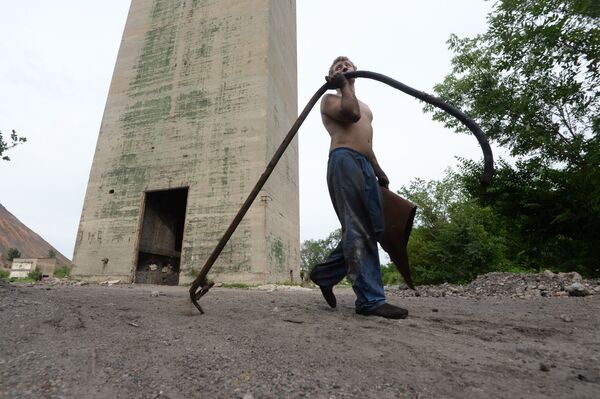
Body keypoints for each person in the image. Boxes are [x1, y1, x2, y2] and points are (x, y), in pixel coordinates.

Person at [309, 56, 408, 319]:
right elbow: (351, 116)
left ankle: (325, 274)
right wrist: (342, 86)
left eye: (347, 66)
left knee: (374, 227)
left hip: (364, 165)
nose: (343, 68)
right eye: (337, 67)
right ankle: (370, 300)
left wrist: (378, 169)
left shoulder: (367, 107)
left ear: (356, 71)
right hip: (344, 161)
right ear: (331, 76)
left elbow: (366, 140)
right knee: (357, 227)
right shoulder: (330, 99)